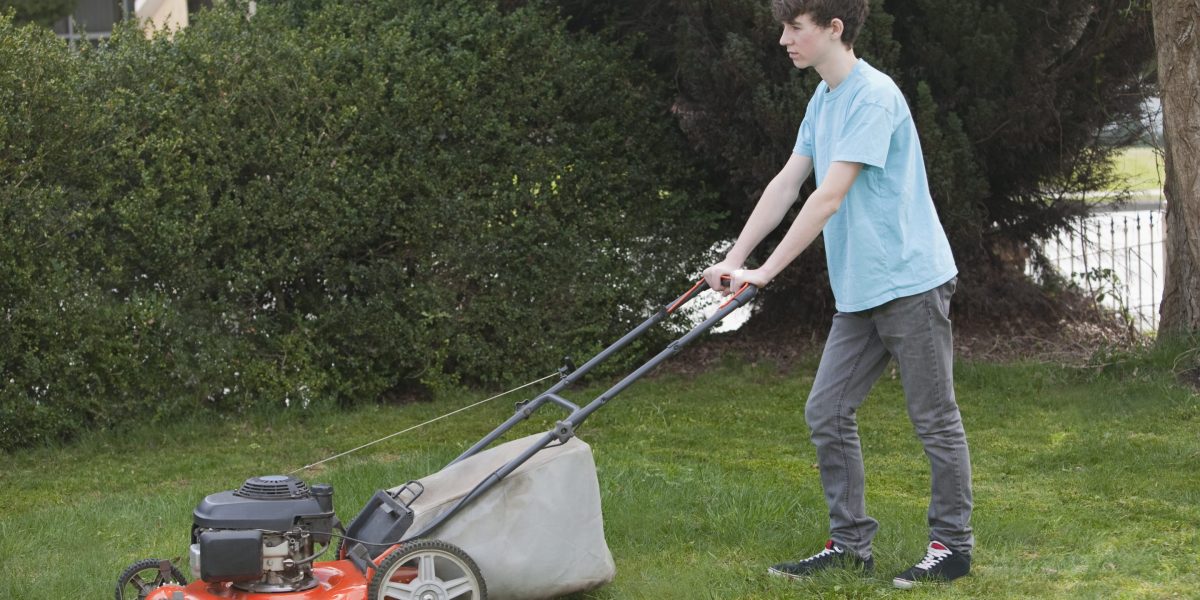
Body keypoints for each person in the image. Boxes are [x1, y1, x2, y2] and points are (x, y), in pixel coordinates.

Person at [702, 0, 974, 589]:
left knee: (934, 419)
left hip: (910, 281)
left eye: (794, 28)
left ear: (834, 28)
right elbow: (787, 183)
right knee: (827, 411)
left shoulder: (873, 97)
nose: (784, 40)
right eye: (783, 28)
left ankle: (952, 547)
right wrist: (735, 258)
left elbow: (827, 197)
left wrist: (766, 273)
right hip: (861, 288)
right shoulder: (824, 99)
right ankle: (850, 546)